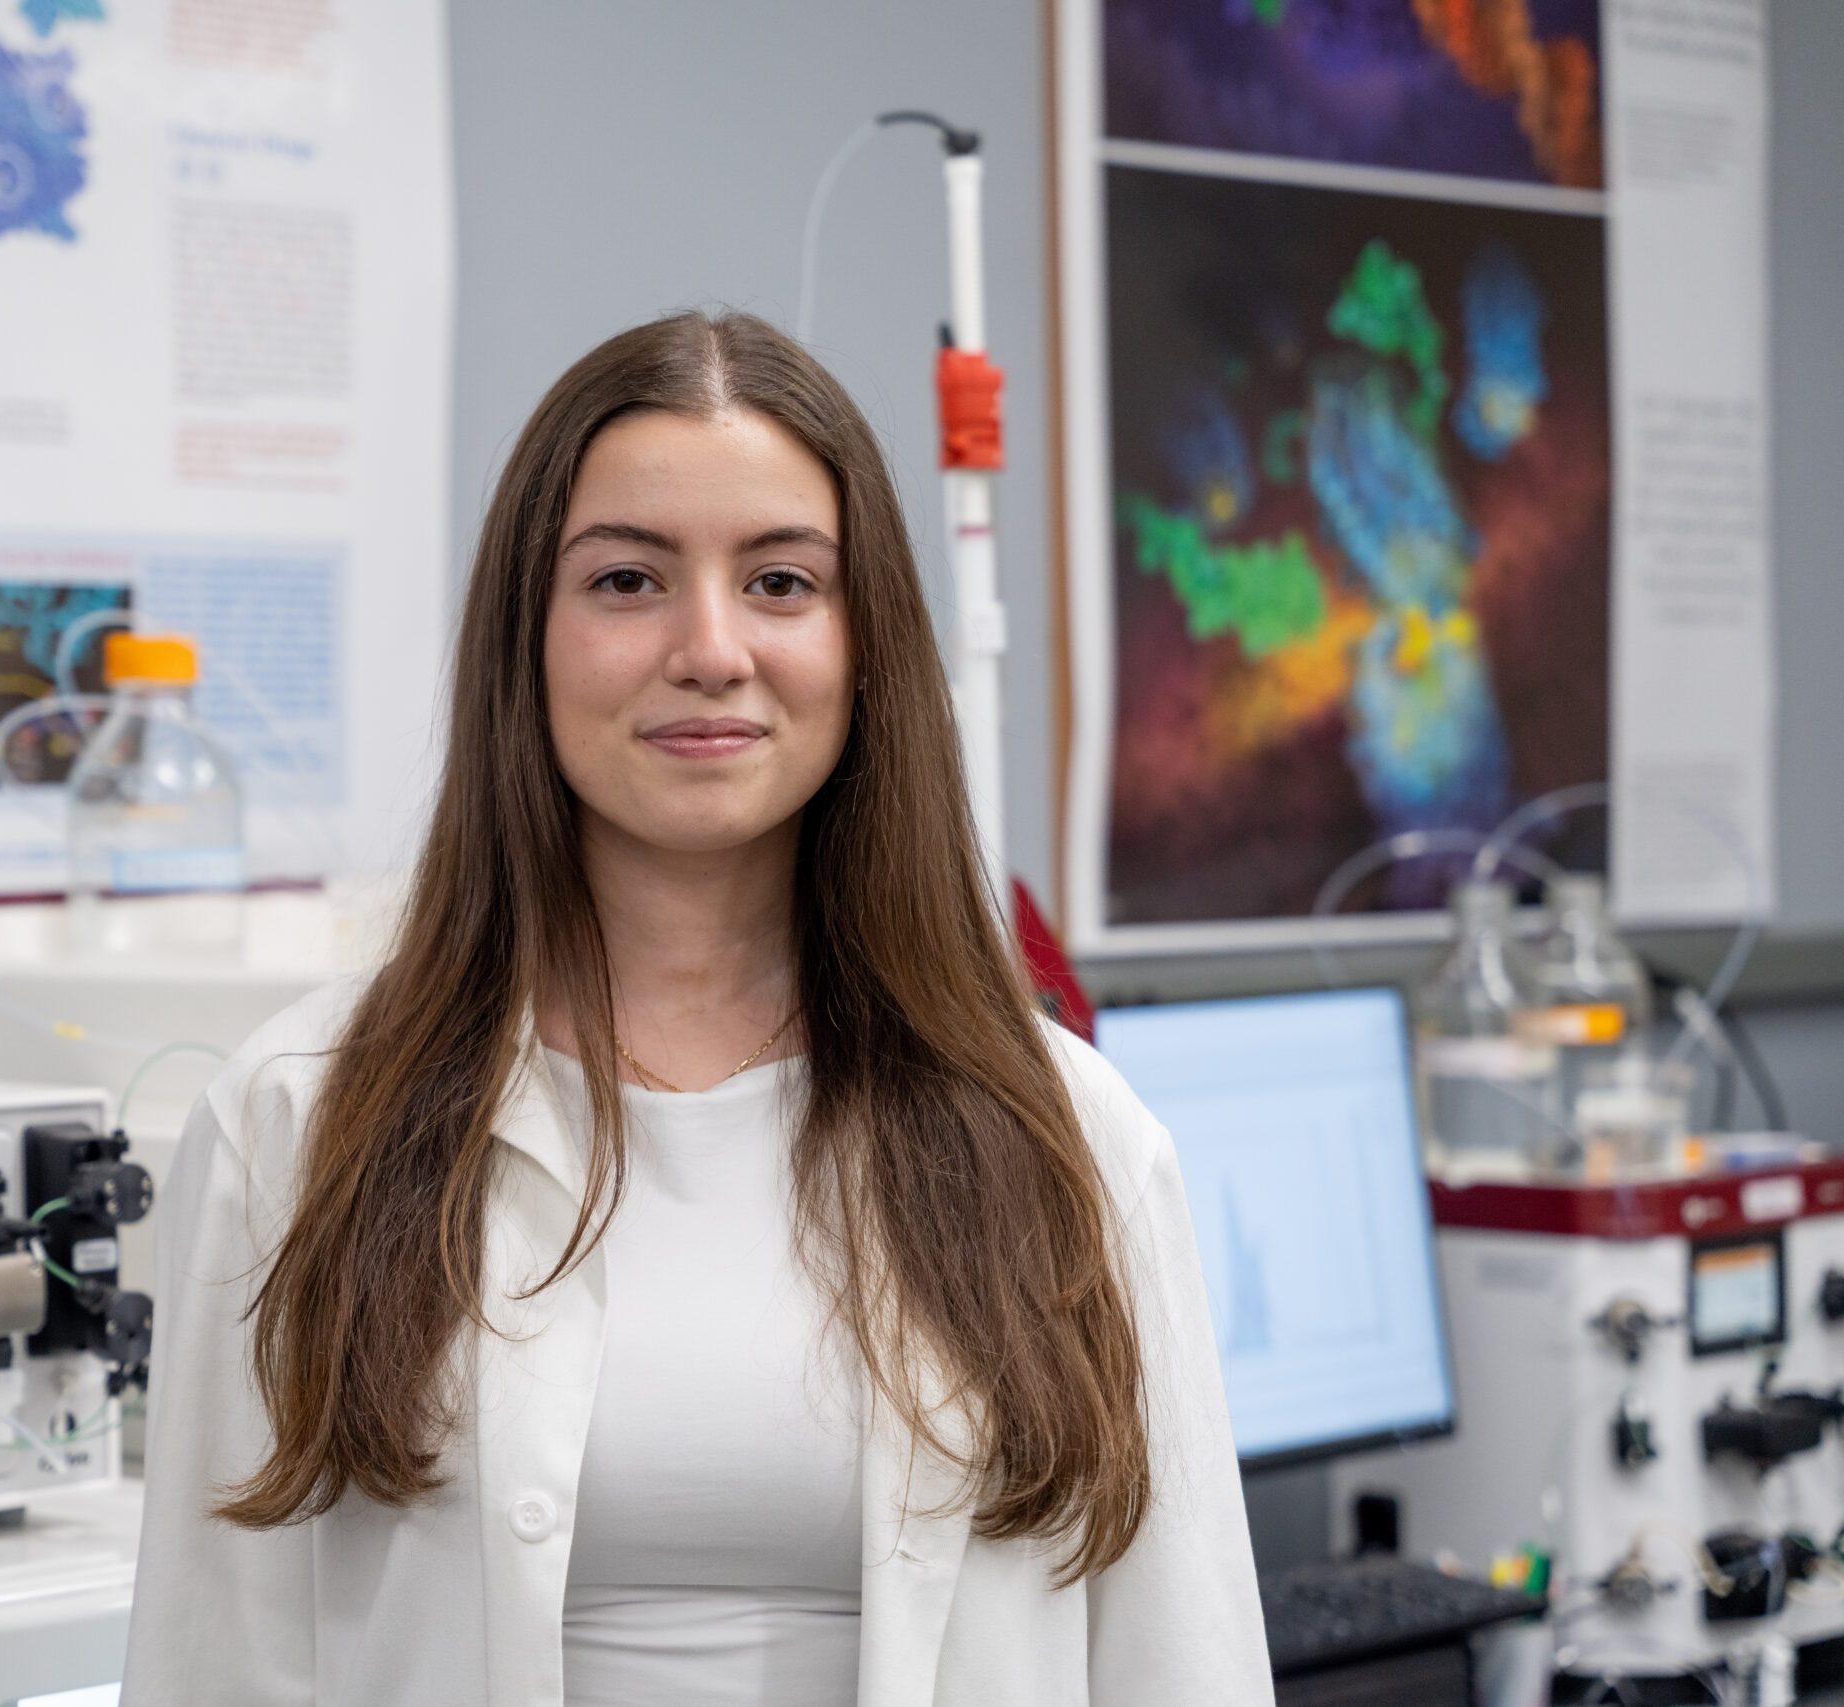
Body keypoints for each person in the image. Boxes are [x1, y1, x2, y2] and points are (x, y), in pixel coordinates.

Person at [122, 310, 1272, 1706]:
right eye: (626, 581)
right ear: (525, 642)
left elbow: (1181, 1665)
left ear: (866, 648)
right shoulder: (298, 1119)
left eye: (782, 581)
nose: (711, 648)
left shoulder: (1068, 1139)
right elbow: (215, 1665)